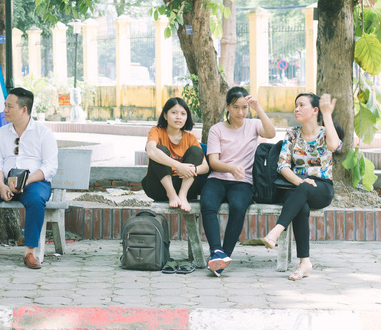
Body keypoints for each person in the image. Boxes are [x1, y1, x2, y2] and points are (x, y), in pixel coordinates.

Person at [0, 87, 58, 269]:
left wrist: (25, 181)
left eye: (9, 106)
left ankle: (30, 252)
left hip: (35, 182)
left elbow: (50, 167)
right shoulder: (1, 133)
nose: (5, 110)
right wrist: (1, 186)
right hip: (5, 182)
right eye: (4, 105)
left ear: (24, 109)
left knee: (36, 200)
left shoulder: (43, 133)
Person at [262, 93, 343, 280]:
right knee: (301, 205)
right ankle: (304, 263)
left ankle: (276, 231)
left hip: (321, 188)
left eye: (301, 105)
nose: (296, 109)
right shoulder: (292, 133)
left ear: (315, 110)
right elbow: (282, 166)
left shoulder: (325, 133)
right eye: (295, 105)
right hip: (296, 186)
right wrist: (300, 181)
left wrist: (327, 114)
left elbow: (334, 145)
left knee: (304, 191)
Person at [201, 87, 276, 276]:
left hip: (243, 182)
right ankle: (216, 251)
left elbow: (271, 133)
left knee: (237, 207)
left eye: (244, 107)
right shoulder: (216, 129)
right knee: (208, 204)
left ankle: (223, 256)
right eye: (235, 107)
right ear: (227, 106)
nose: (240, 112)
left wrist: (258, 109)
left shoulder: (253, 124)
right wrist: (231, 168)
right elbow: (213, 162)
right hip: (218, 178)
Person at [142, 97, 209, 212]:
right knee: (160, 150)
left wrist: (191, 170)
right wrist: (179, 166)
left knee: (196, 151)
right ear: (165, 115)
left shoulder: (190, 138)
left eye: (183, 114)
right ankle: (171, 194)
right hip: (159, 187)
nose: (179, 117)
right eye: (174, 113)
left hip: (185, 186)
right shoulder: (156, 131)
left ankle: (182, 196)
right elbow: (151, 151)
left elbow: (205, 167)